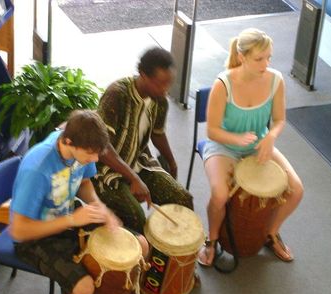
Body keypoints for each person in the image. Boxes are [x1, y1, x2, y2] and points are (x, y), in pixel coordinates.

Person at [9, 110, 147, 294]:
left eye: (97, 154)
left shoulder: (81, 146)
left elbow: (84, 183)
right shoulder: (37, 169)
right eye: (90, 154)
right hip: (34, 239)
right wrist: (72, 220)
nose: (94, 160)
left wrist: (98, 206)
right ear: (68, 141)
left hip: (69, 217)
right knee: (83, 289)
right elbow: (17, 231)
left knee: (139, 245)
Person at [197, 28, 304, 266]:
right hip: (224, 146)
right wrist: (237, 139)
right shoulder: (223, 84)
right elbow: (211, 130)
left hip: (258, 144)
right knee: (220, 194)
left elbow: (279, 120)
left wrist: (271, 137)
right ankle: (212, 240)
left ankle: (271, 232)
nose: (266, 64)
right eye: (259, 58)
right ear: (242, 57)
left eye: (269, 58)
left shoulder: (276, 80)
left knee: (296, 190)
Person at [92, 47, 193, 234]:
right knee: (135, 215)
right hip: (105, 171)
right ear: (143, 75)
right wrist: (134, 178)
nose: (165, 90)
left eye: (168, 84)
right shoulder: (117, 94)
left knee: (182, 198)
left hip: (139, 162)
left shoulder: (159, 100)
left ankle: (172, 259)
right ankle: (143, 258)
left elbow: (157, 133)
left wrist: (171, 162)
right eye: (160, 84)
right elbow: (102, 147)